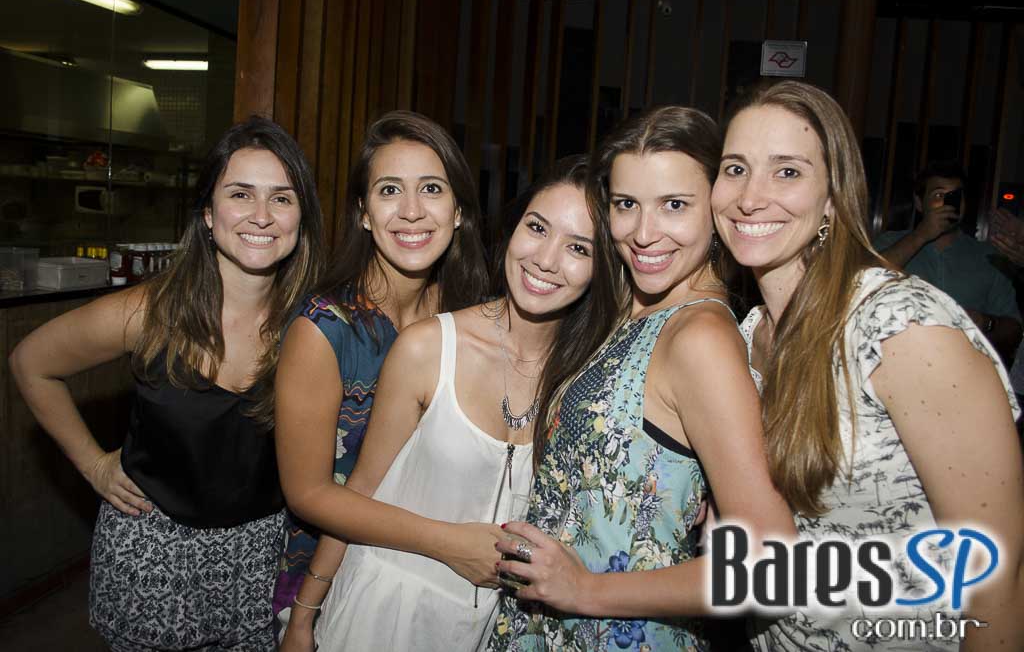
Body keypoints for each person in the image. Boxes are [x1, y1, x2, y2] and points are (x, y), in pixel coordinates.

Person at [710, 80, 1024, 651]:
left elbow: (998, 583)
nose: (750, 197)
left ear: (833, 198)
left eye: (787, 171)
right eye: (735, 169)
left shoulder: (902, 330)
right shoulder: (747, 335)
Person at [280, 155, 624, 652]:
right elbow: (362, 487)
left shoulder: (586, 379)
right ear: (513, 230)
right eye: (537, 228)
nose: (547, 259)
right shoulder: (427, 347)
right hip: (383, 615)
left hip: (494, 631)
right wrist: (303, 616)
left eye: (578, 248)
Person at [9, 116, 324, 651]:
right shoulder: (148, 311)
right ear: (208, 214)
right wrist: (93, 464)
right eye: (240, 194)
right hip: (153, 554)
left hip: (261, 558)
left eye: (281, 198)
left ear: (301, 217)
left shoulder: (313, 326)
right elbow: (30, 363)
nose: (262, 215)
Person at [489, 106, 796, 651]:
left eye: (674, 205)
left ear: (718, 208)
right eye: (626, 204)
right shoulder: (637, 308)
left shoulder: (700, 337)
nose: (644, 233)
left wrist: (586, 590)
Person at [272, 110, 490, 643]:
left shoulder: (469, 317)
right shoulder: (324, 330)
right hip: (331, 584)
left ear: (459, 210)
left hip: (435, 586)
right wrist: (449, 542)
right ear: (364, 214)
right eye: (390, 190)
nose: (411, 211)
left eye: (431, 189)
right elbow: (309, 494)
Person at [875, 160, 1021, 360]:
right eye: (938, 196)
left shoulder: (988, 256)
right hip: (896, 363)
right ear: (919, 203)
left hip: (965, 368)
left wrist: (985, 323)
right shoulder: (890, 243)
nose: (948, 204)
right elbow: (862, 281)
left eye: (955, 197)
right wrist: (921, 235)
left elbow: (1014, 330)